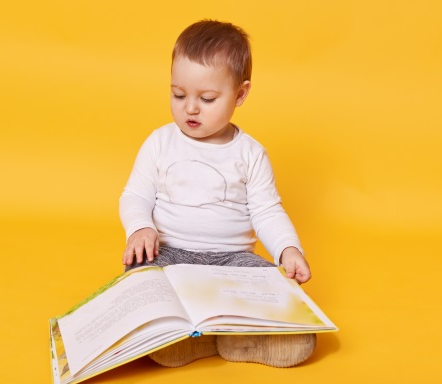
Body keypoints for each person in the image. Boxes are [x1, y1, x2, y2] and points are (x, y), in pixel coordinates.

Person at [119, 19, 315, 368]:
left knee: (271, 283)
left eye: (207, 98)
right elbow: (135, 196)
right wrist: (139, 228)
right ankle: (188, 336)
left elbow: (268, 212)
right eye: (178, 94)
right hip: (171, 254)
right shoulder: (160, 143)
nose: (190, 108)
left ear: (240, 94)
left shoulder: (250, 153)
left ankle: (237, 336)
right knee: (140, 275)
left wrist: (288, 249)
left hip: (231, 261)